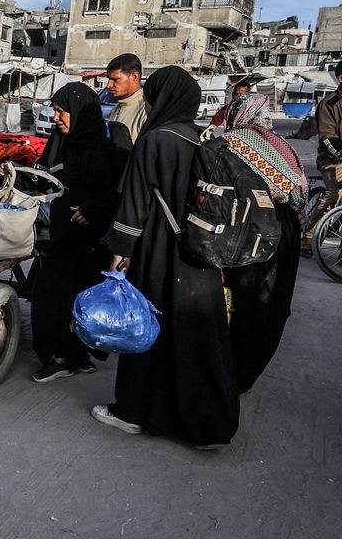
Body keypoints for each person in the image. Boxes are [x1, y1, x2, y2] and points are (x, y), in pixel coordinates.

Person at [96, 66, 237, 449]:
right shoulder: (200, 140)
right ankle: (207, 425)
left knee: (147, 329)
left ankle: (132, 413)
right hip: (199, 254)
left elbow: (134, 206)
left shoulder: (155, 139)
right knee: (195, 338)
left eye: (151, 96)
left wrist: (119, 257)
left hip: (159, 252)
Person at [28, 82, 120, 383]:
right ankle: (67, 355)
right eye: (55, 111)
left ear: (79, 112)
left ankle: (66, 357)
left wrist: (93, 209)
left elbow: (115, 192)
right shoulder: (60, 142)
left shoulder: (103, 150)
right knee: (54, 296)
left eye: (61, 112)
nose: (56, 118)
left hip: (89, 241)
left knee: (76, 296)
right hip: (60, 234)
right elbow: (43, 175)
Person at [216, 92, 305, 392]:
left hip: (253, 229)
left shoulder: (233, 142)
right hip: (288, 230)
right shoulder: (283, 146)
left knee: (242, 300)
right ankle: (247, 372)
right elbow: (299, 195)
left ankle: (229, 372)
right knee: (272, 303)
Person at [303, 60, 342, 255]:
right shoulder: (330, 104)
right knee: (335, 194)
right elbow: (328, 137)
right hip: (332, 158)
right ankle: (308, 239)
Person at [105, 53, 147, 146]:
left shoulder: (145, 110)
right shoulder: (116, 109)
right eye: (109, 79)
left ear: (134, 77)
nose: (109, 85)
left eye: (115, 79)